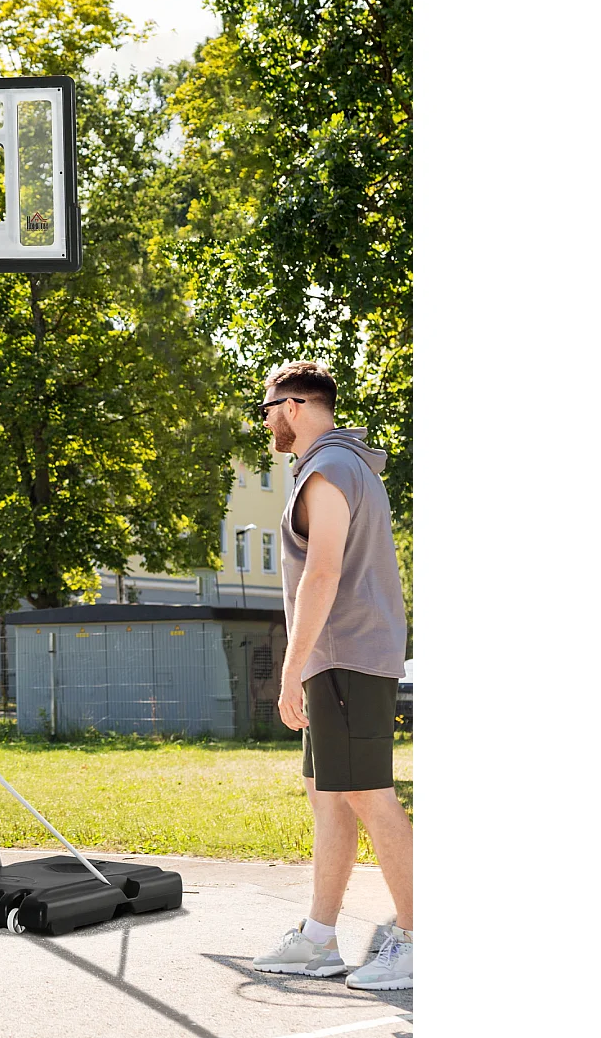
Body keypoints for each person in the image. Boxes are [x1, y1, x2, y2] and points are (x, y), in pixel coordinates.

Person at [250, 361, 412, 992]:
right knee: (330, 793)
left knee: (369, 795)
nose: (264, 422)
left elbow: (322, 575)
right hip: (339, 657)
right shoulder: (351, 467)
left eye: (265, 409)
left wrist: (289, 670)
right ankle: (319, 937)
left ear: (292, 406)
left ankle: (419, 939)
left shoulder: (328, 470)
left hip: (344, 654)